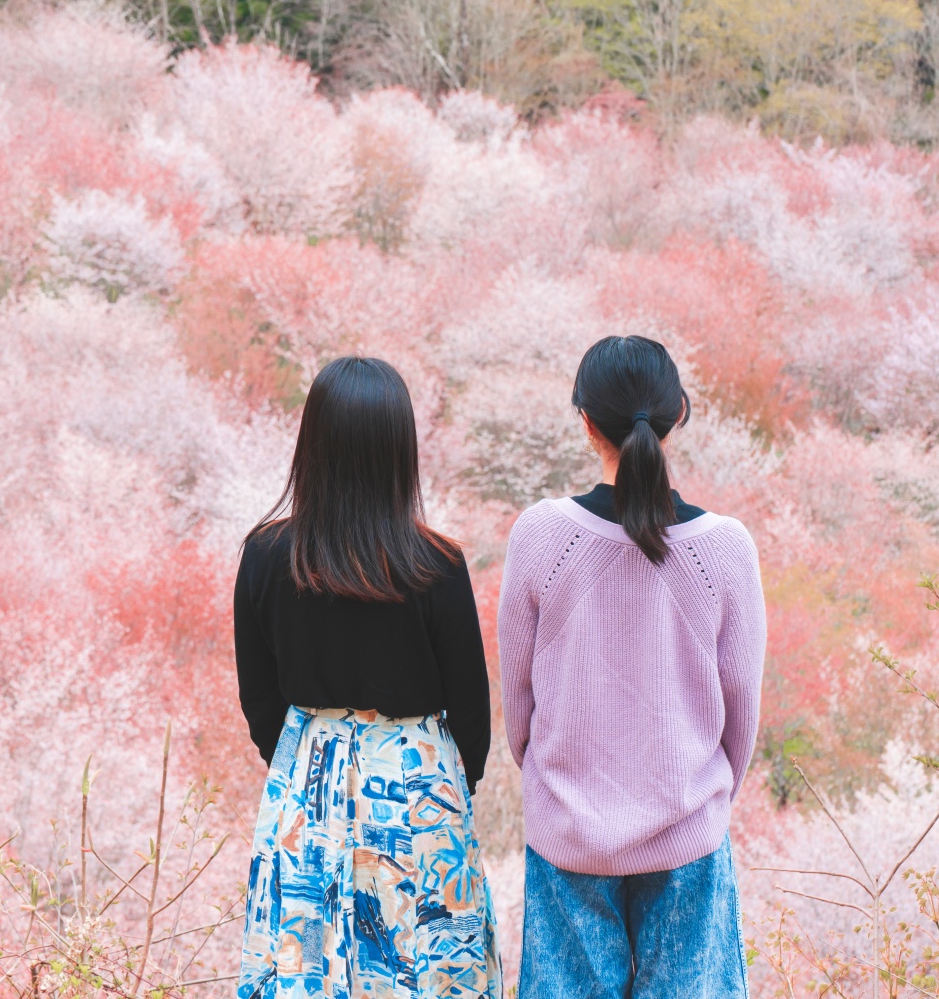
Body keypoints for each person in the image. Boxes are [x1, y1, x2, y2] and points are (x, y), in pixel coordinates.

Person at [495, 335, 766, 998]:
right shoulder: (725, 548)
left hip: (569, 837)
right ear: (679, 414)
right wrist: (697, 795)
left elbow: (519, 704)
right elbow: (742, 717)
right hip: (688, 838)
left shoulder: (540, 535)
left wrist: (559, 783)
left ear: (585, 420)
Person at [234, 356, 496, 999]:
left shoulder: (268, 555)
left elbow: (259, 701)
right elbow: (472, 715)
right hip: (418, 784)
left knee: (304, 965)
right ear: (399, 449)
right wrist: (441, 784)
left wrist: (309, 756)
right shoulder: (436, 564)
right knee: (431, 970)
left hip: (307, 785)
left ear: (312, 445)